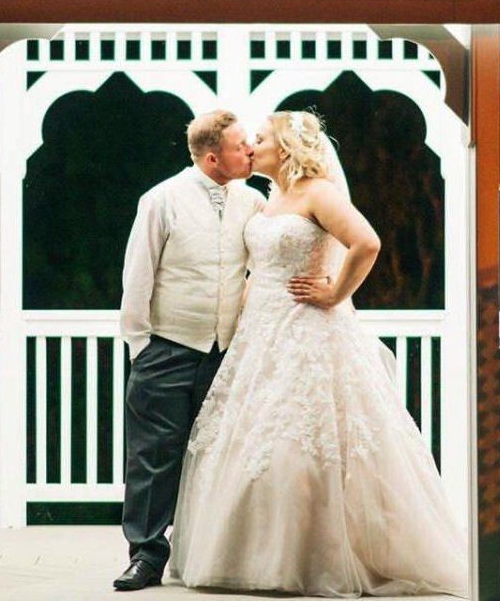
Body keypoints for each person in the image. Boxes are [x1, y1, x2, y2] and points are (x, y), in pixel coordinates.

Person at [170, 110, 467, 597]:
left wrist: (334, 292)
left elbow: (366, 243)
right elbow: (260, 270)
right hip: (260, 337)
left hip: (307, 332)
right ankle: (257, 555)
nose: (251, 147)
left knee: (303, 445)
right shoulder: (269, 201)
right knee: (257, 446)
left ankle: (312, 558)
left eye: (259, 140)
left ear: (284, 148)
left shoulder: (318, 193)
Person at [113, 110, 265, 592]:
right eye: (242, 145)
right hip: (168, 347)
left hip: (227, 352)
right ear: (213, 156)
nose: (251, 151)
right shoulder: (162, 200)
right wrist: (141, 347)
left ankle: (213, 554)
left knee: (222, 454)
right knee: (154, 456)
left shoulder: (255, 202)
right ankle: (146, 554)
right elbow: (137, 275)